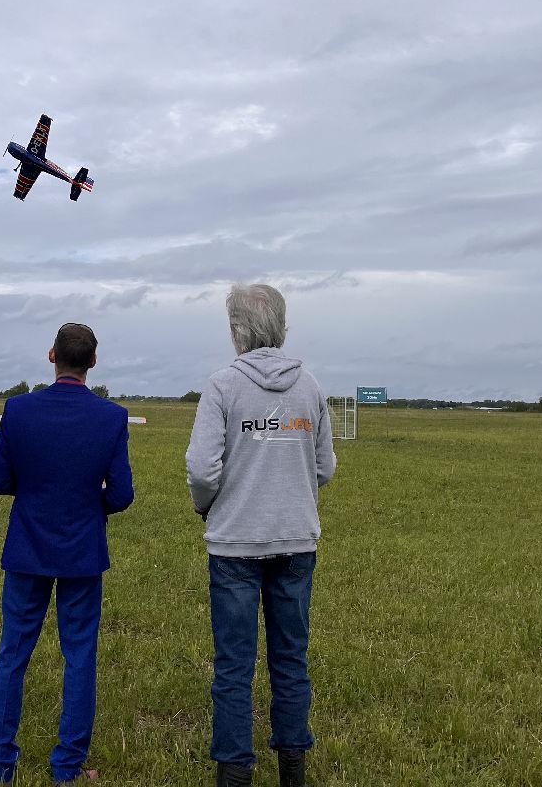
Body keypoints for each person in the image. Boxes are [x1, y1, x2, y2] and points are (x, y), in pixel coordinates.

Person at [185, 284, 337, 787]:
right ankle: (292, 768)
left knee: (233, 666)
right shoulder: (310, 387)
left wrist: (208, 506)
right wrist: (290, 488)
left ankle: (234, 773)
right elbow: (325, 466)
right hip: (296, 541)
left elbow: (202, 469)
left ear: (235, 330)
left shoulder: (222, 386)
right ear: (282, 326)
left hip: (234, 544)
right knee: (290, 659)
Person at [0, 322, 135, 785]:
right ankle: (67, 766)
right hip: (82, 553)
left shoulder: (18, 410)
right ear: (93, 361)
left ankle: (0, 765)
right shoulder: (111, 418)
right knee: (79, 656)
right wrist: (95, 501)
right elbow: (122, 494)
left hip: (27, 548)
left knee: (13, 653)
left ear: (52, 356)